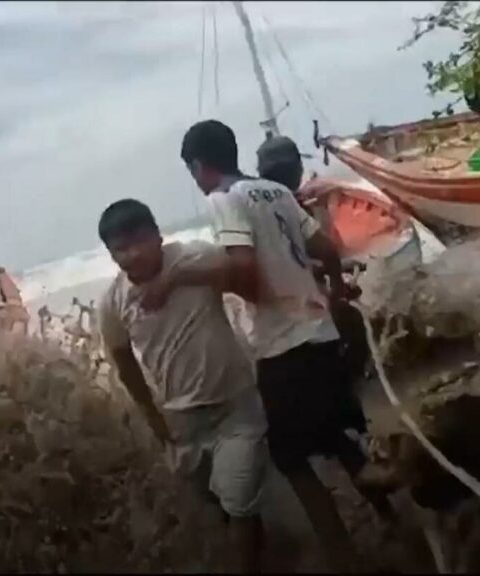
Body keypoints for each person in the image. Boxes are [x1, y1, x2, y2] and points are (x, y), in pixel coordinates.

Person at [166, 120, 395, 572]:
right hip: (322, 335)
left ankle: (342, 556)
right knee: (345, 441)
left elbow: (246, 274)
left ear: (197, 165)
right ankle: (397, 526)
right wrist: (332, 291)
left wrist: (185, 277)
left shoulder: (222, 200)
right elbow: (327, 249)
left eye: (192, 170)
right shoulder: (276, 193)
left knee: (290, 459)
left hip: (283, 350)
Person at [96, 199, 267, 573]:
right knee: (218, 503)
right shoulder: (112, 302)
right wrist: (156, 424)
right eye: (120, 249)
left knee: (238, 501)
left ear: (158, 236)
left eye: (140, 241)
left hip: (235, 406)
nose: (133, 254)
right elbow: (125, 364)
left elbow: (241, 271)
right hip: (182, 421)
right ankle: (260, 540)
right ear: (110, 254)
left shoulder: (193, 258)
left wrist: (173, 280)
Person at [256, 136, 371, 387]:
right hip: (297, 312)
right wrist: (336, 285)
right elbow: (300, 260)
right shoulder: (289, 206)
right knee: (349, 322)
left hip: (288, 306)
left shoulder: (266, 206)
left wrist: (336, 273)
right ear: (298, 168)